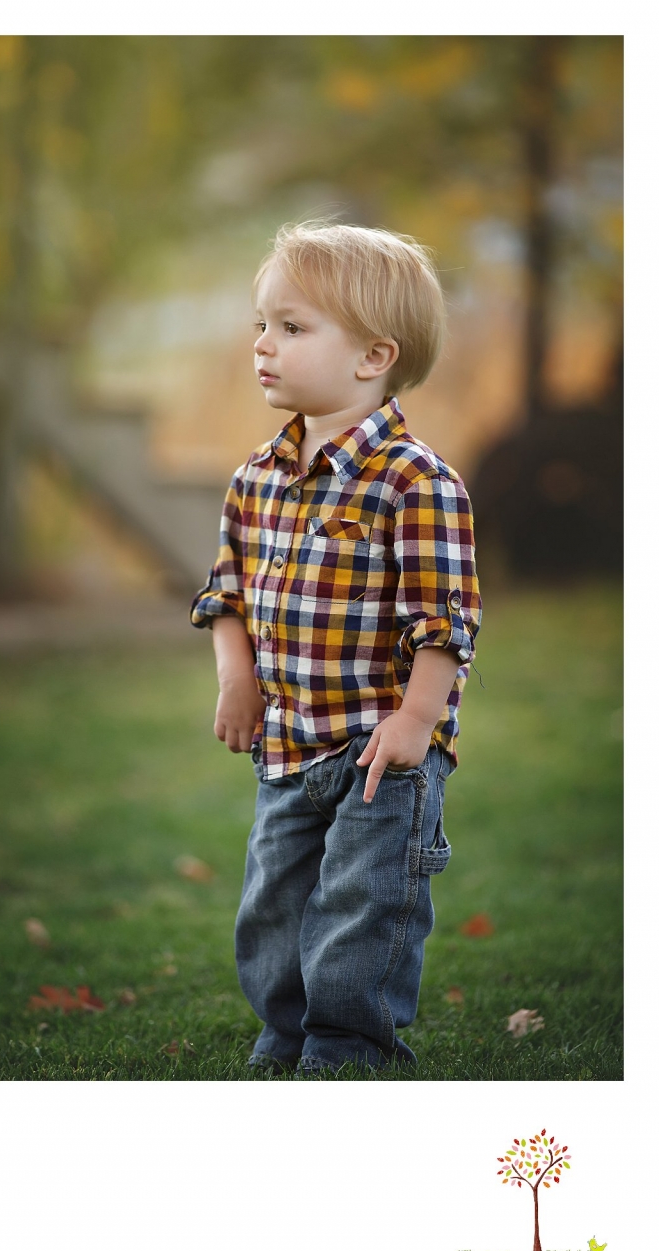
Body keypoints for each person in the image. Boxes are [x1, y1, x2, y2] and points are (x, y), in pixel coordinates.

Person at [190, 221, 481, 1076]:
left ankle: (348, 1055)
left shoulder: (414, 481)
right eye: (261, 324)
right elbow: (228, 593)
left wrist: (416, 723)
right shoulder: (257, 478)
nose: (262, 345)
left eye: (292, 327)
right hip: (286, 744)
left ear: (372, 356)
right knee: (272, 912)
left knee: (363, 910)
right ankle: (283, 1043)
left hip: (378, 751)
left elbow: (445, 619)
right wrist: (235, 679)